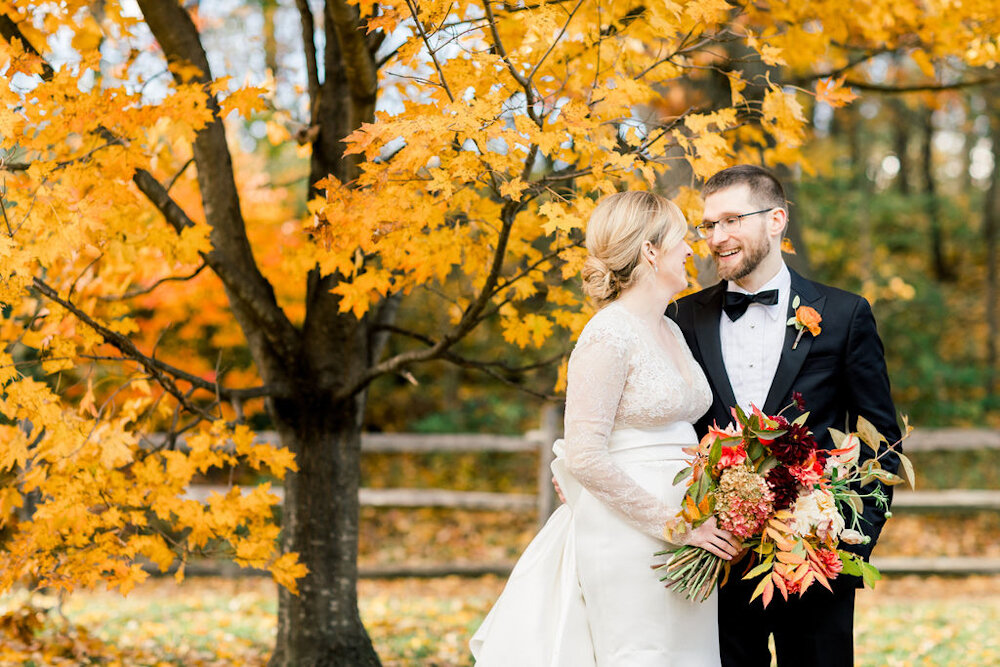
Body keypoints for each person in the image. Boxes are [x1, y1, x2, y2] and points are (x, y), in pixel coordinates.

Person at [470, 191, 741, 666]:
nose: (692, 249)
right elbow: (586, 454)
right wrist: (676, 526)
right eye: (682, 238)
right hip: (632, 536)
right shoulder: (606, 334)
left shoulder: (671, 329)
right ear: (651, 250)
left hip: (689, 530)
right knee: (642, 654)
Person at [668, 164, 902, 667]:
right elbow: (667, 427)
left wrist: (849, 542)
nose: (717, 236)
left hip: (816, 560)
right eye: (709, 224)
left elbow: (883, 438)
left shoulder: (844, 314)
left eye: (732, 220)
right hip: (719, 558)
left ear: (776, 220)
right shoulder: (682, 317)